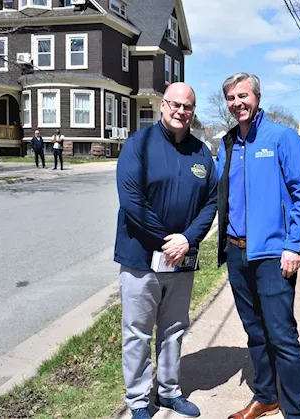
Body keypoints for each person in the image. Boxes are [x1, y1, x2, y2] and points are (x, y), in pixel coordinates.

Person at [115, 82, 217, 419]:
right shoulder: (138, 145)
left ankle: (169, 392)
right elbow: (132, 200)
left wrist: (186, 239)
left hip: (181, 260)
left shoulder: (201, 153)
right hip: (141, 258)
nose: (180, 111)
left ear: (193, 111)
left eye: (187, 107)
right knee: (138, 332)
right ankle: (139, 400)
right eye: (175, 104)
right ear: (162, 105)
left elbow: (211, 201)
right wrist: (166, 240)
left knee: (174, 328)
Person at [215, 73, 300, 419]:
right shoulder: (227, 144)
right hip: (236, 253)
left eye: (243, 95)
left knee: (281, 334)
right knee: (255, 331)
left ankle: (295, 411)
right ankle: (266, 397)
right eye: (231, 97)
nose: (237, 103)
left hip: (273, 254)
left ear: (256, 97)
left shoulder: (282, 138)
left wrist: (294, 245)